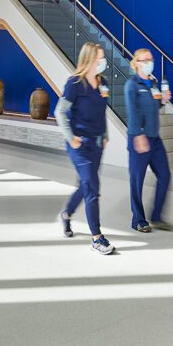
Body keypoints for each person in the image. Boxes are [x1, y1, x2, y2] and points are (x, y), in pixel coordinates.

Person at [55, 43, 115, 255]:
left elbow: (101, 112)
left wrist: (105, 134)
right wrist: (70, 138)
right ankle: (97, 238)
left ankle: (66, 213)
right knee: (92, 187)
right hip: (79, 145)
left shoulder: (103, 83)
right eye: (99, 58)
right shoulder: (74, 83)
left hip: (97, 145)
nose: (103, 62)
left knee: (85, 185)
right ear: (89, 59)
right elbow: (60, 112)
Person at [125, 48, 173, 233]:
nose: (148, 63)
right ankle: (138, 220)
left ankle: (157, 217)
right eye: (144, 60)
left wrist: (163, 100)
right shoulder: (132, 84)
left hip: (155, 138)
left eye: (150, 59)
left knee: (165, 175)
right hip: (139, 138)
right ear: (136, 63)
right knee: (137, 180)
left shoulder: (152, 82)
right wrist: (138, 135)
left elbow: (155, 106)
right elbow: (133, 112)